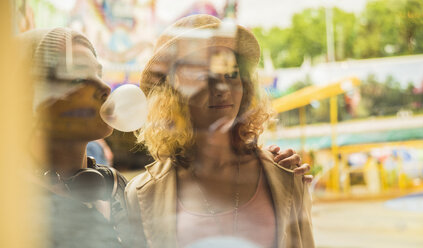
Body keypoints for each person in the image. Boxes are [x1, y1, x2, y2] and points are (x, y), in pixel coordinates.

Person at [125, 14, 314, 248]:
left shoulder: (285, 174)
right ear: (171, 92)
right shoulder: (143, 193)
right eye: (204, 76)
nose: (222, 88)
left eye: (232, 74)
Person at [20, 27, 128, 248]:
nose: (105, 87)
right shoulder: (15, 205)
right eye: (78, 77)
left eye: (98, 74)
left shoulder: (116, 188)